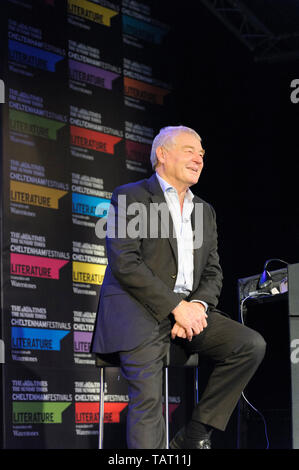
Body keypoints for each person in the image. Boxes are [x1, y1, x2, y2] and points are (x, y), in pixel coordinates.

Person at [91, 125, 266, 449]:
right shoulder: (130, 196)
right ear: (162, 154)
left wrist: (196, 307)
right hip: (137, 311)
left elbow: (213, 272)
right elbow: (125, 262)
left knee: (249, 345)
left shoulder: (205, 211)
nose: (199, 157)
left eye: (201, 153)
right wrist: (176, 307)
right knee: (149, 398)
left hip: (188, 313)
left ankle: (194, 436)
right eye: (189, 150)